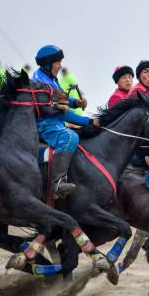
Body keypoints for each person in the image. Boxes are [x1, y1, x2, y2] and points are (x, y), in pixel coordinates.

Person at [33, 45, 97, 199]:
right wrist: (87, 121)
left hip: (55, 122)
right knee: (70, 137)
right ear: (48, 64)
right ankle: (57, 184)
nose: (60, 66)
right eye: (58, 63)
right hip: (45, 125)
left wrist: (77, 103)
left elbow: (64, 100)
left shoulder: (50, 79)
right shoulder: (42, 83)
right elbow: (63, 113)